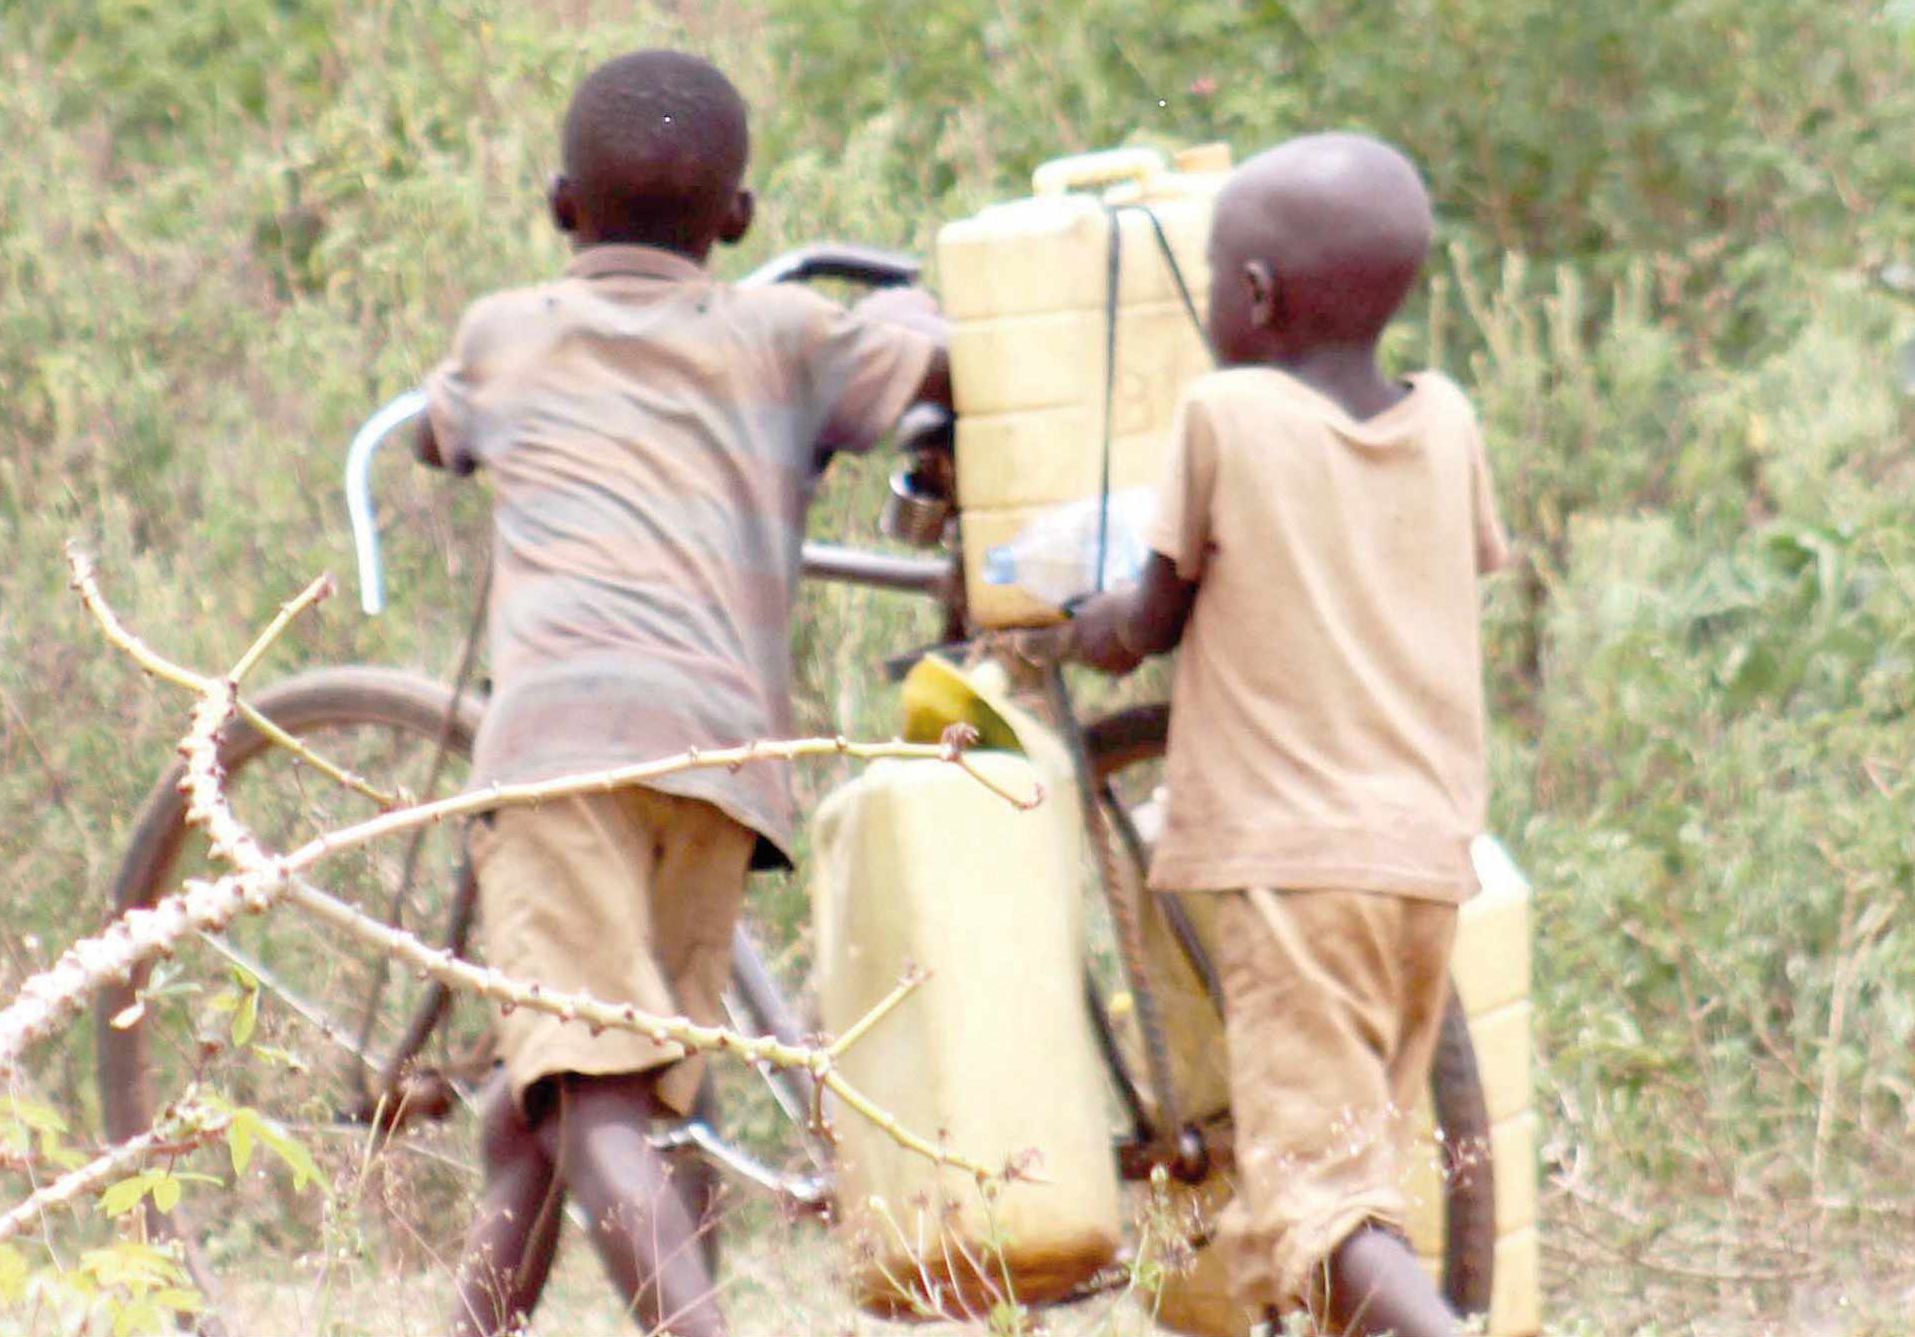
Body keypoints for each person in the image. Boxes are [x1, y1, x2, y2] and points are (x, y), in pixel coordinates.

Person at [409, 49, 949, 1337]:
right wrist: (928, 311)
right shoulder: (787, 334)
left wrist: (452, 417)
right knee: (566, 1099)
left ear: (559, 205)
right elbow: (917, 360)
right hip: (719, 769)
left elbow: (444, 429)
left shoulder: (503, 330)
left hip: (558, 758)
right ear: (740, 220)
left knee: (593, 1102)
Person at [1066, 132, 1510, 1336]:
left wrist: (1082, 626)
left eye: (1216, 275)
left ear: (1251, 295)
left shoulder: (1227, 415)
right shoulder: (1448, 421)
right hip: (1421, 866)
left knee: (1326, 1210)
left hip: (1293, 869)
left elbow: (1147, 621)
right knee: (1354, 1187)